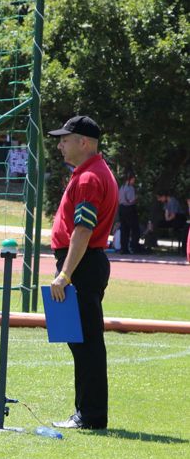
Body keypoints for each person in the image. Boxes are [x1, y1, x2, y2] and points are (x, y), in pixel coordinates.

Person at [47, 116, 118, 431]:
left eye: (65, 139)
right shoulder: (91, 172)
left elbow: (83, 230)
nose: (60, 145)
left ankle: (90, 415)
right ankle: (85, 412)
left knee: (86, 343)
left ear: (84, 142)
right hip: (83, 263)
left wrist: (65, 274)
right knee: (79, 341)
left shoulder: (89, 178)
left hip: (81, 265)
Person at [117, 172, 140, 254]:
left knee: (124, 229)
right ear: (129, 179)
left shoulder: (121, 187)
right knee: (135, 228)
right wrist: (136, 198)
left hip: (121, 208)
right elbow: (131, 200)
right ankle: (134, 247)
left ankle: (124, 248)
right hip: (129, 209)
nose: (134, 181)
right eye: (133, 180)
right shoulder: (130, 188)